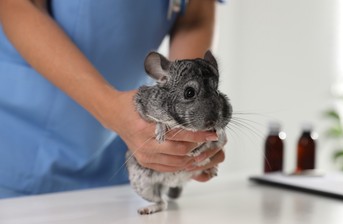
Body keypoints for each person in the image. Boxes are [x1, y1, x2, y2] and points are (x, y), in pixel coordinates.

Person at [0, 0, 226, 198]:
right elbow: (17, 4)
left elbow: (194, 17)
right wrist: (112, 109)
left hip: (117, 151)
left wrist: (184, 124)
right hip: (26, 142)